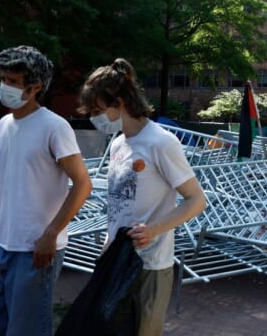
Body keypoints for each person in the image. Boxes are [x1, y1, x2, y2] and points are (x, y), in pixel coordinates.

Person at [78, 58, 206, 335]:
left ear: (120, 102)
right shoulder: (118, 144)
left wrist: (154, 230)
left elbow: (197, 200)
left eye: (98, 110)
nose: (94, 118)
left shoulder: (161, 142)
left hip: (151, 266)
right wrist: (107, 245)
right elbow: (119, 205)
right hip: (117, 261)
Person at [0, 46, 92, 335]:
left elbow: (83, 183)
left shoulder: (54, 127)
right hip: (1, 246)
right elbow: (10, 186)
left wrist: (51, 235)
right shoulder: (4, 124)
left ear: (35, 87)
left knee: (25, 331)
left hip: (35, 250)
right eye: (3, 78)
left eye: (13, 81)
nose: (5, 87)